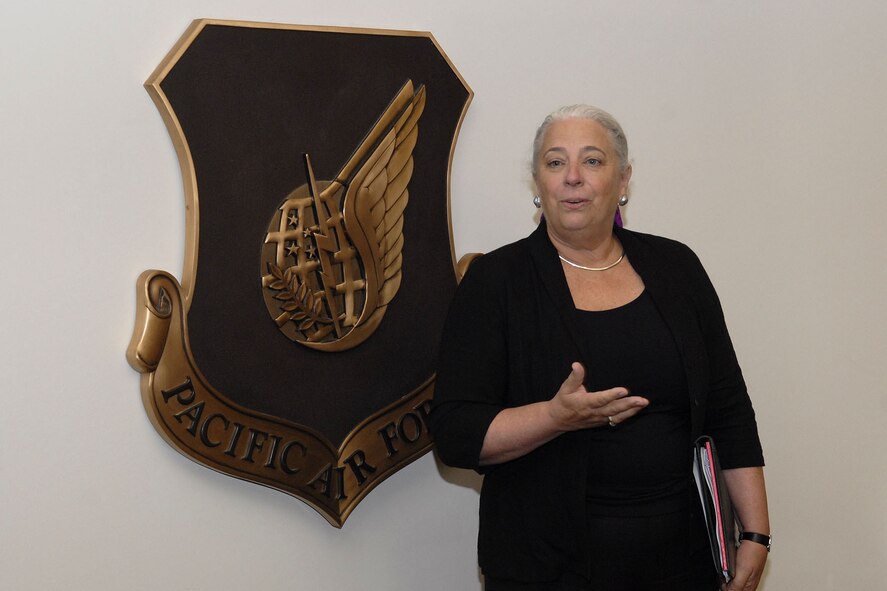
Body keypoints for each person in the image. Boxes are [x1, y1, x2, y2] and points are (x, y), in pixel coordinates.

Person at [430, 105, 770, 591]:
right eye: (554, 162)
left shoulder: (677, 268)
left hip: (685, 558)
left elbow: (728, 406)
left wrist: (755, 531)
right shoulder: (495, 282)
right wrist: (555, 417)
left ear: (623, 178)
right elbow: (454, 433)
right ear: (537, 182)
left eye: (592, 161)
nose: (572, 177)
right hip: (549, 567)